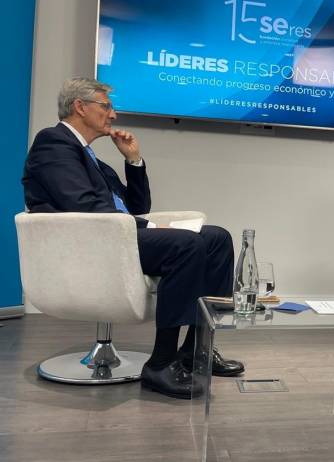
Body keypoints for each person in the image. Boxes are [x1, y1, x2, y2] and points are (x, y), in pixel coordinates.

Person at [22, 77, 244, 399]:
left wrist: (133, 160)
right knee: (186, 245)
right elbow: (84, 207)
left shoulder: (92, 160)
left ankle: (196, 352)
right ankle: (161, 364)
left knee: (217, 239)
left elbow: (138, 207)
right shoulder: (53, 143)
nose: (113, 114)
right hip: (90, 245)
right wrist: (152, 229)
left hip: (117, 237)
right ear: (80, 107)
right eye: (106, 106)